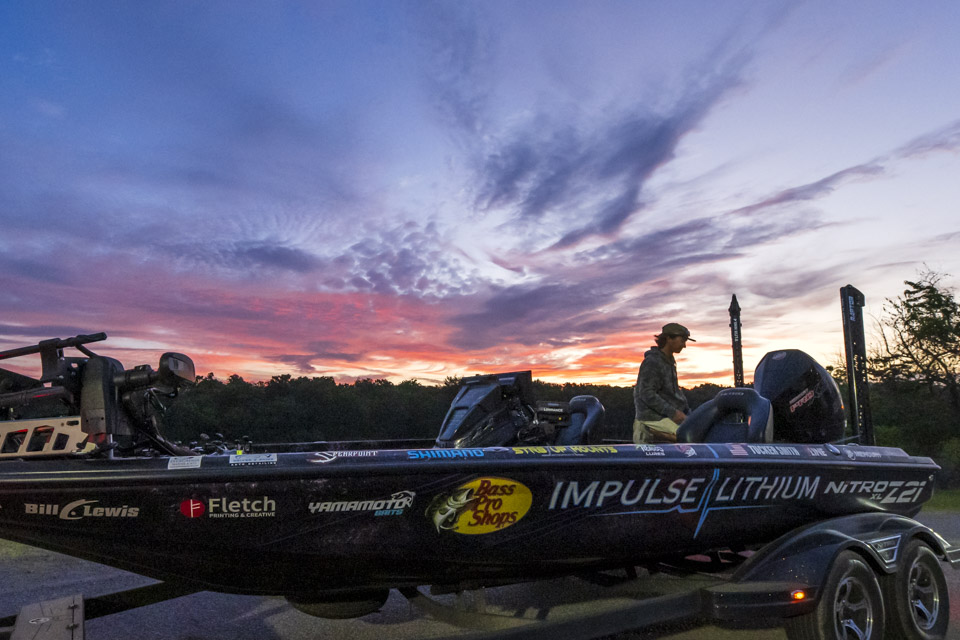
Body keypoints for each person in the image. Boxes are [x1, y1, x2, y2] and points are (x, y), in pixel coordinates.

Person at [633, 322, 695, 443]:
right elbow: (646, 393)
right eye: (682, 341)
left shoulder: (669, 362)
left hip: (666, 417)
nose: (684, 345)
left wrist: (688, 413)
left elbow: (674, 393)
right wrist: (673, 413)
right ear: (668, 339)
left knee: (699, 430)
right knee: (689, 437)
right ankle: (648, 431)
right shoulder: (652, 362)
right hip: (652, 419)